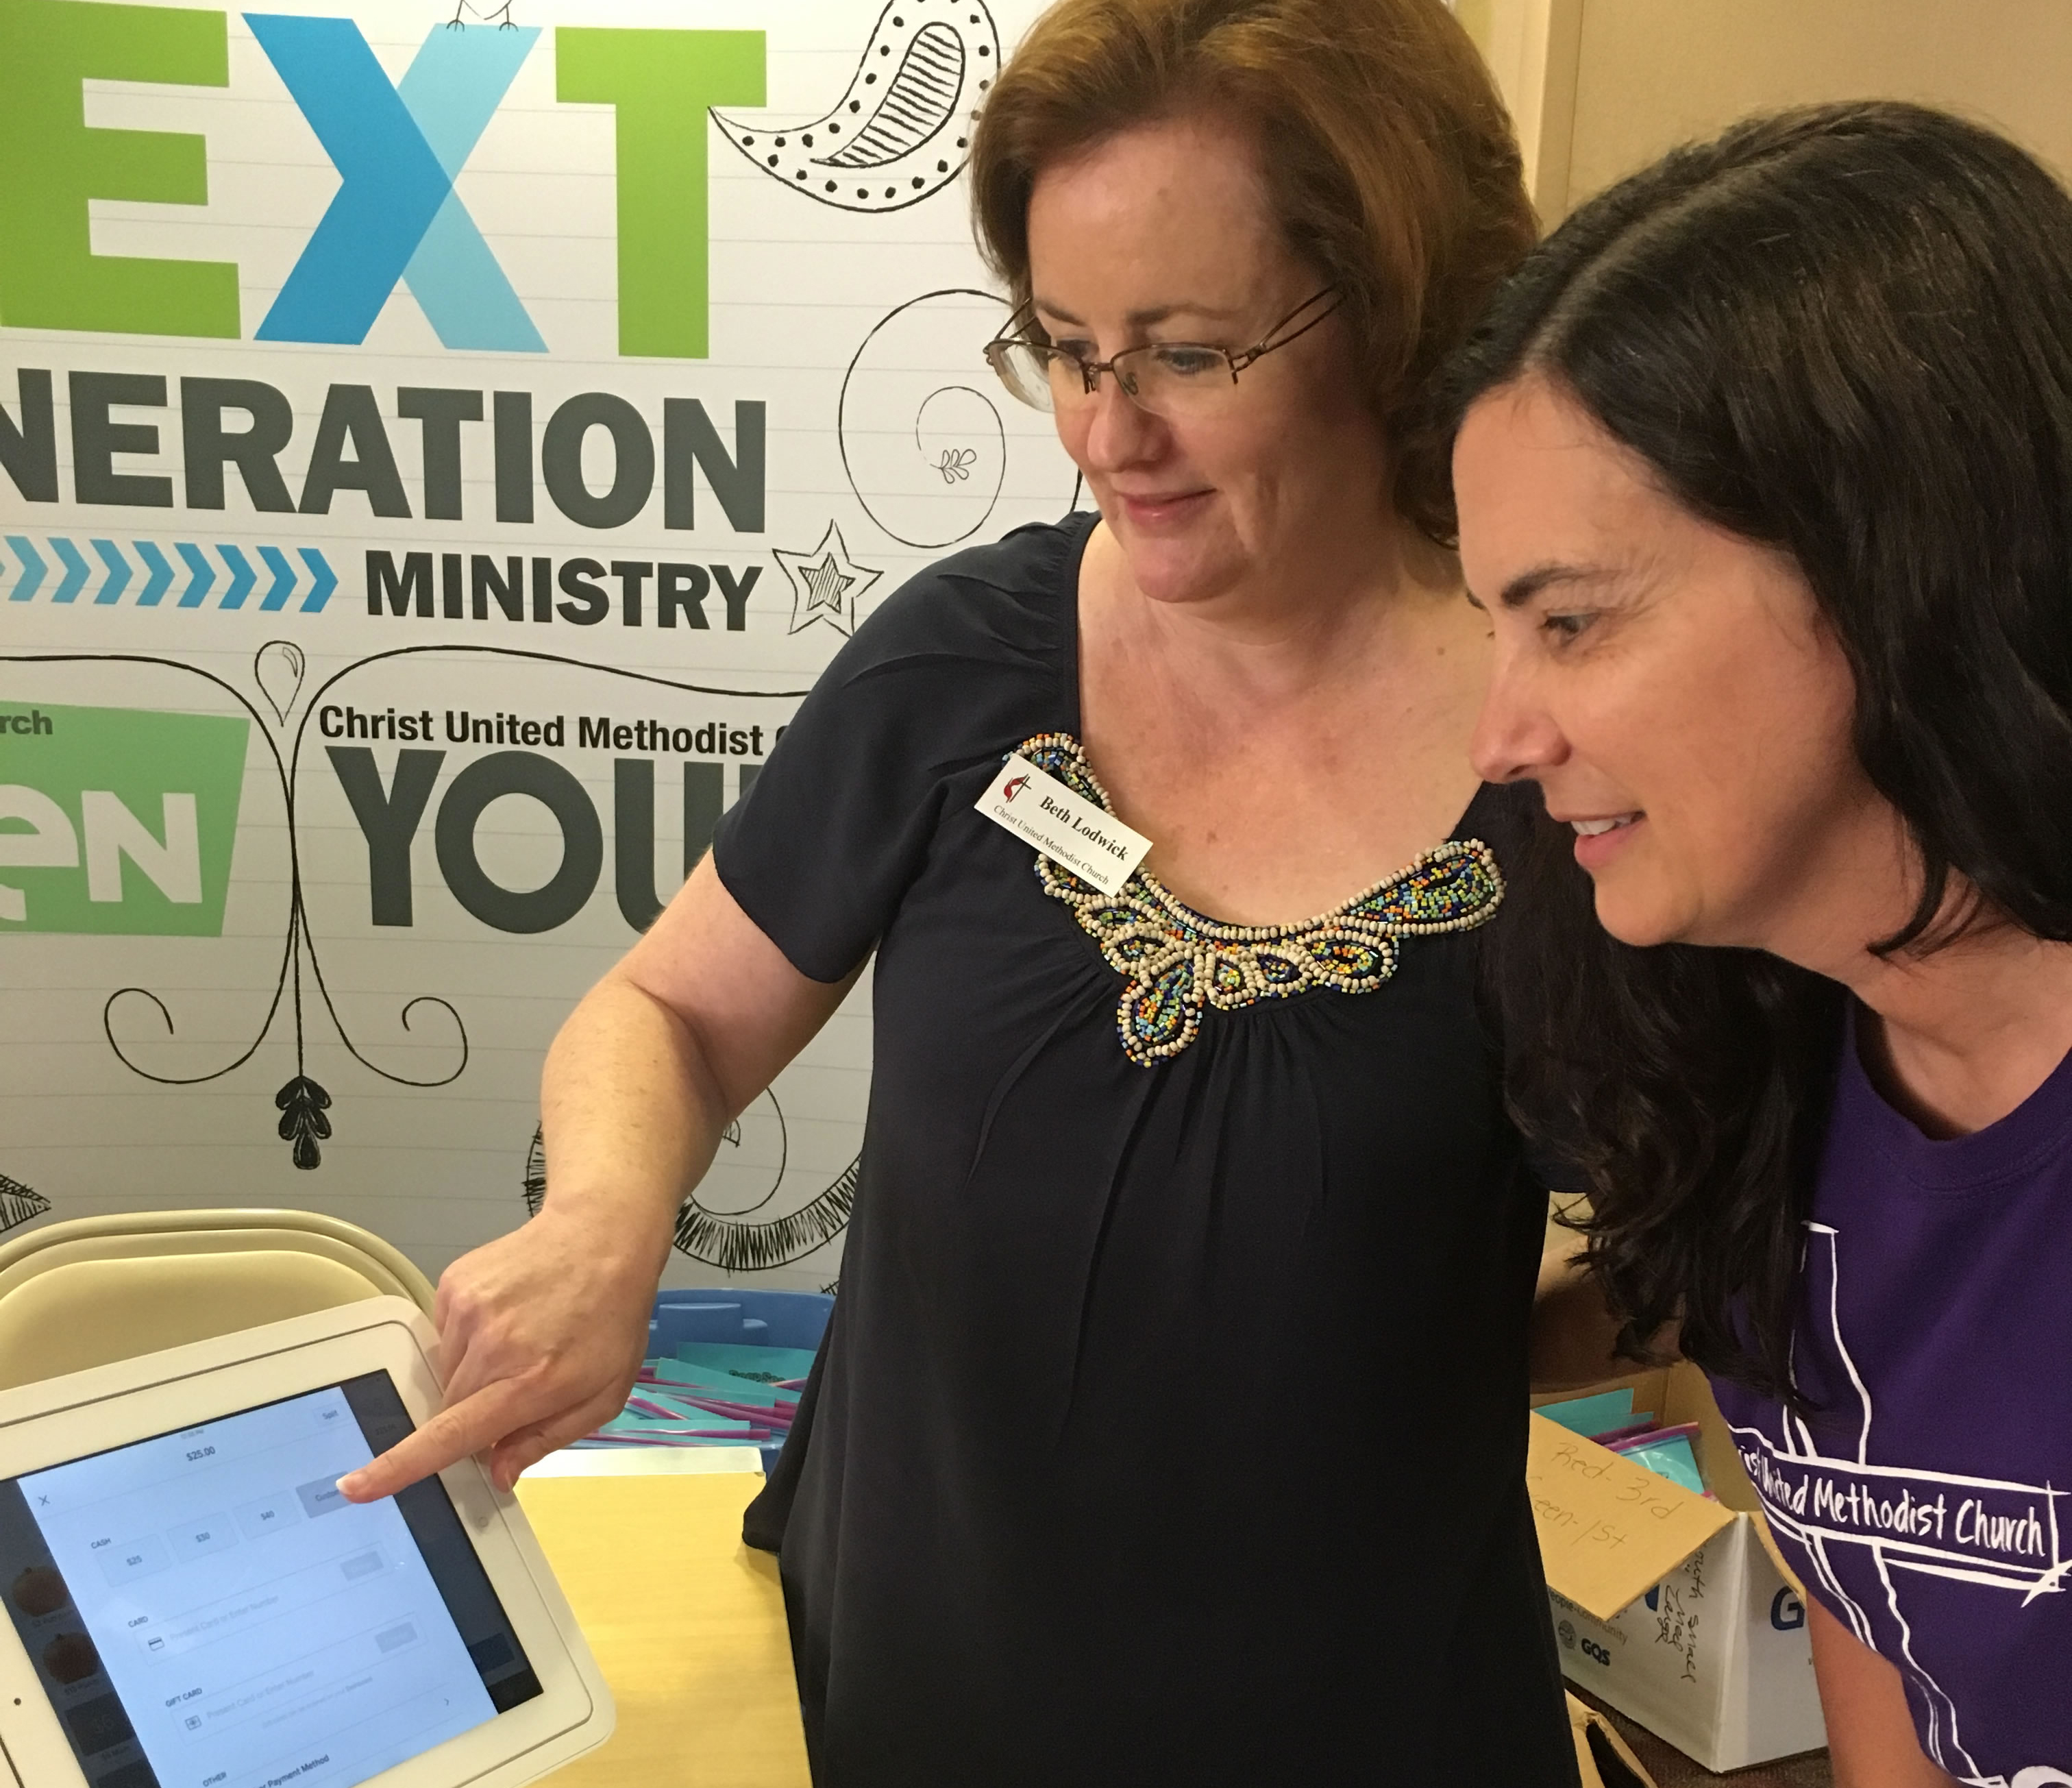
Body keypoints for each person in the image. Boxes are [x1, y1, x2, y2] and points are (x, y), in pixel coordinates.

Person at [345, 1, 1580, 1779]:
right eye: (1065, 347)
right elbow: (674, 1011)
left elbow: (1732, 1246)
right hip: (920, 1689)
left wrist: (1419, 1352)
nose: (1105, 431)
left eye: (1186, 352)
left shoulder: (1566, 758)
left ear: (1397, 316)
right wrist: (607, 1218)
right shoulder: (962, 666)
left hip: (1365, 1721)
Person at [1451, 100, 2072, 1788]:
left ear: (1895, 556)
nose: (1500, 733)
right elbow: (1887, 1629)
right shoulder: (1752, 1073)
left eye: (1572, 620)